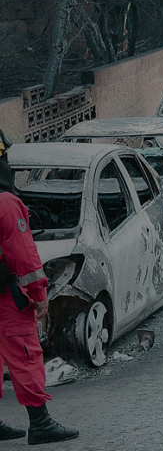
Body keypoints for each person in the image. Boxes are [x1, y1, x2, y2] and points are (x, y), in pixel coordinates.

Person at [0, 129, 79, 444]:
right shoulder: (6, 202)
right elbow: (24, 257)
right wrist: (39, 295)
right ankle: (41, 423)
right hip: (8, 296)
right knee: (24, 351)